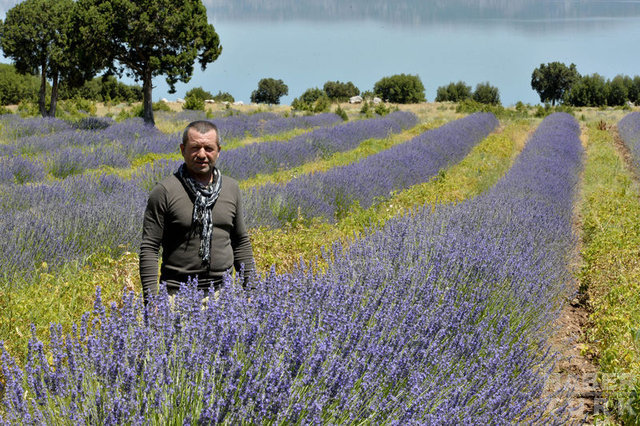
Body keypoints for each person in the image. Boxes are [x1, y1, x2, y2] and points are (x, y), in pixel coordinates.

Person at [139, 120, 255, 304]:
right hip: (177, 297)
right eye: (195, 148)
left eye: (208, 148)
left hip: (223, 296)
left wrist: (251, 290)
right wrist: (152, 300)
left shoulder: (231, 188)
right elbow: (150, 248)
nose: (202, 154)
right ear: (182, 149)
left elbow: (240, 242)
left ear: (218, 150)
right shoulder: (165, 191)